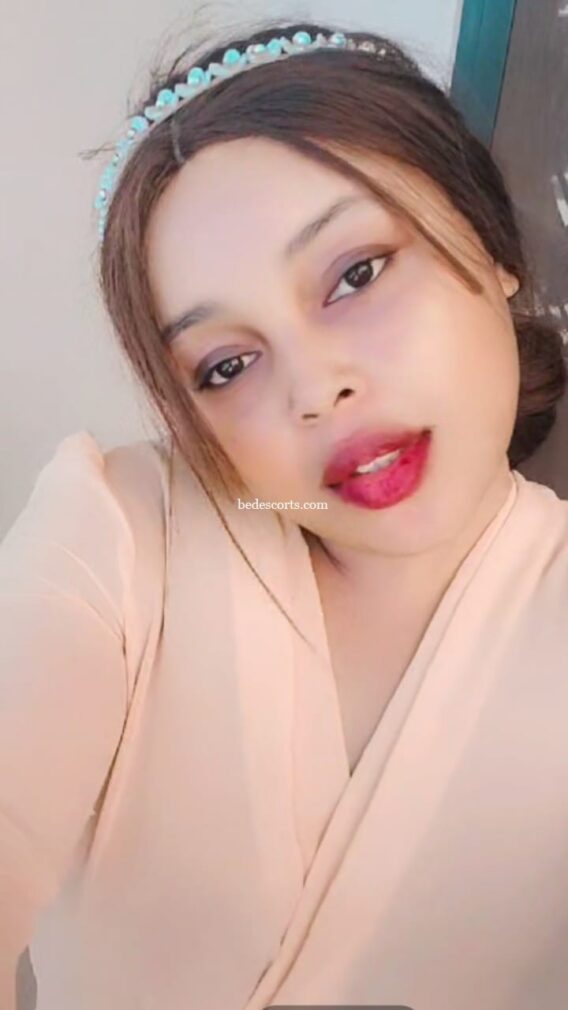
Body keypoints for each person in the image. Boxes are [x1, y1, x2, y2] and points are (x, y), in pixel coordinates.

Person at [1, 15, 567, 1010]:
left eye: (355, 275)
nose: (314, 389)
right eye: (226, 365)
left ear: (490, 246)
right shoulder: (125, 530)